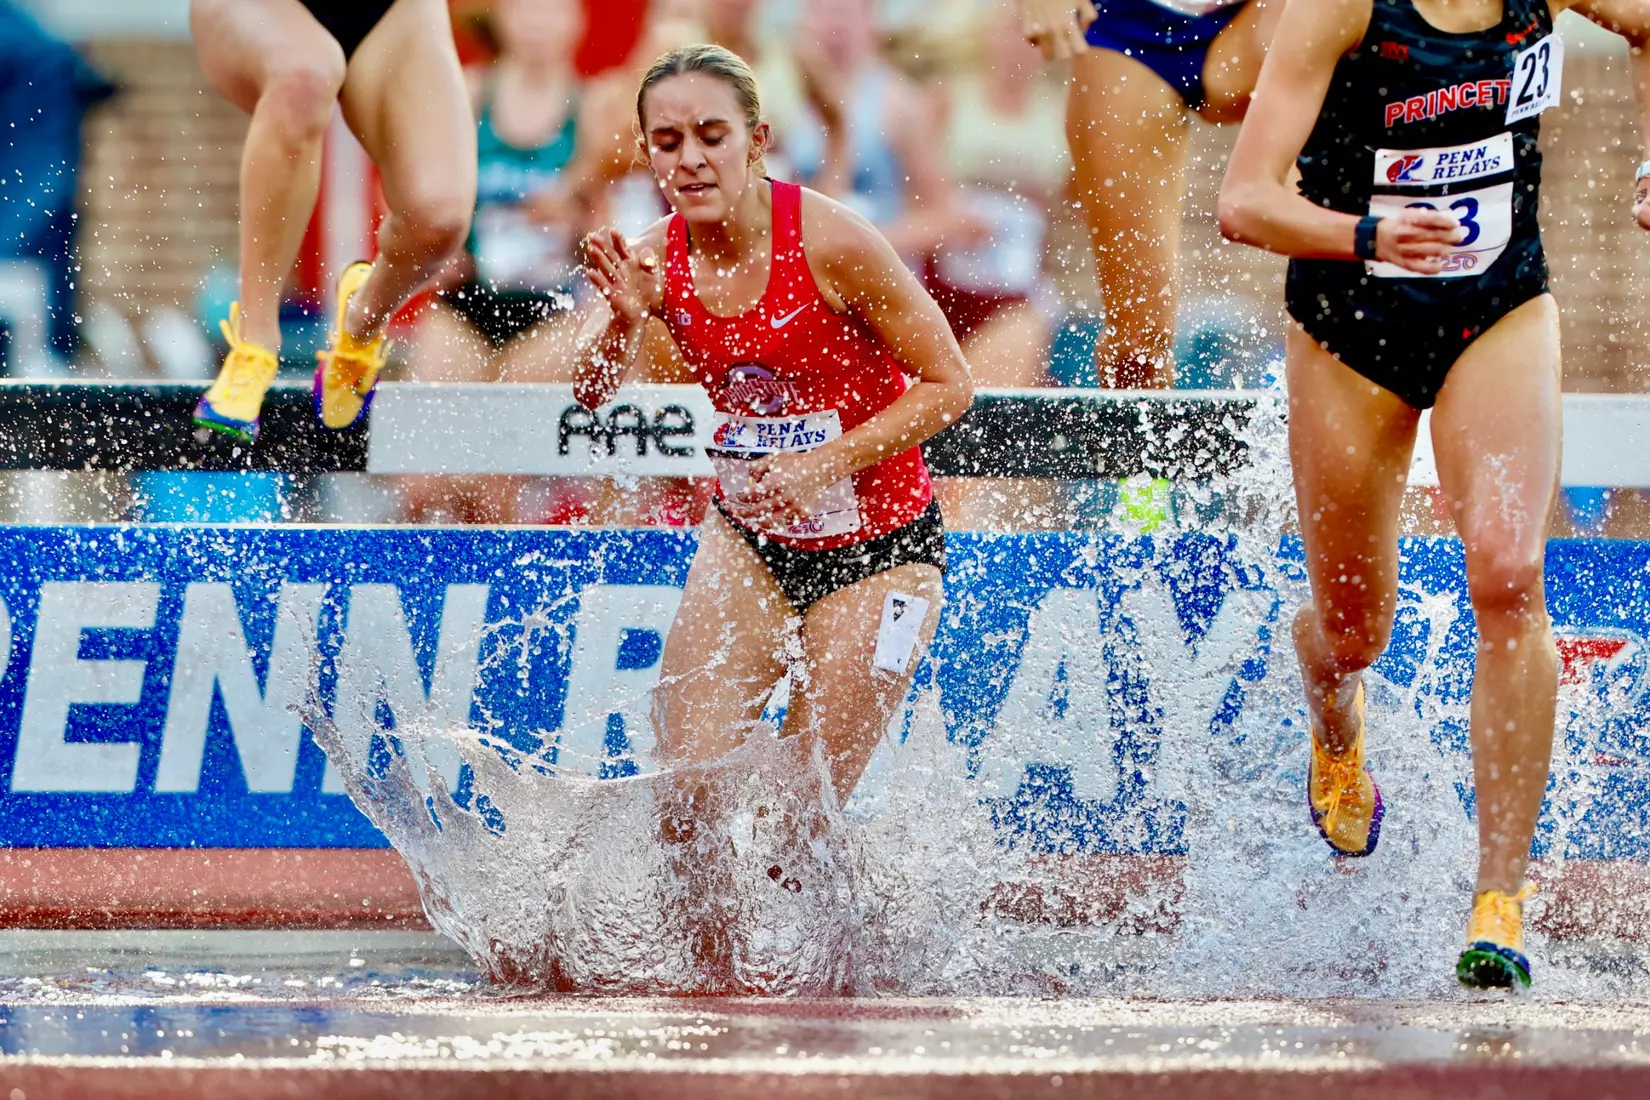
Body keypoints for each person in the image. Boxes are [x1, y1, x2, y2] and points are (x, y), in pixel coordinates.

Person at [1218, 0, 1650, 989]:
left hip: (1498, 303)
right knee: (1356, 626)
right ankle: (1335, 708)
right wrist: (1369, 231)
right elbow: (1245, 201)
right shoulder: (1341, 7)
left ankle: (1498, 900)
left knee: (1508, 572)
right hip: (1350, 323)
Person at [573, 45, 973, 814]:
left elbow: (951, 385)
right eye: (667, 143)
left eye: (711, 136)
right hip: (750, 543)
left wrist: (826, 461)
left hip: (880, 555)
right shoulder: (654, 260)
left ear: (756, 142)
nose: (690, 160)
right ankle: (706, 944)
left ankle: (869, 935)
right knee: (682, 799)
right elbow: (590, 398)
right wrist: (622, 323)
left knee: (800, 817)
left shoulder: (835, 244)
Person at [189, 0, 476, 442]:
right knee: (304, 73)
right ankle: (255, 342)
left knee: (438, 216)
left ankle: (363, 319)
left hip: (391, 12)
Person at [1017, 0, 1280, 387]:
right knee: (1137, 345)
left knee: (1334, 290)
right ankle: (1134, 446)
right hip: (1129, 25)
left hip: (1268, 16)